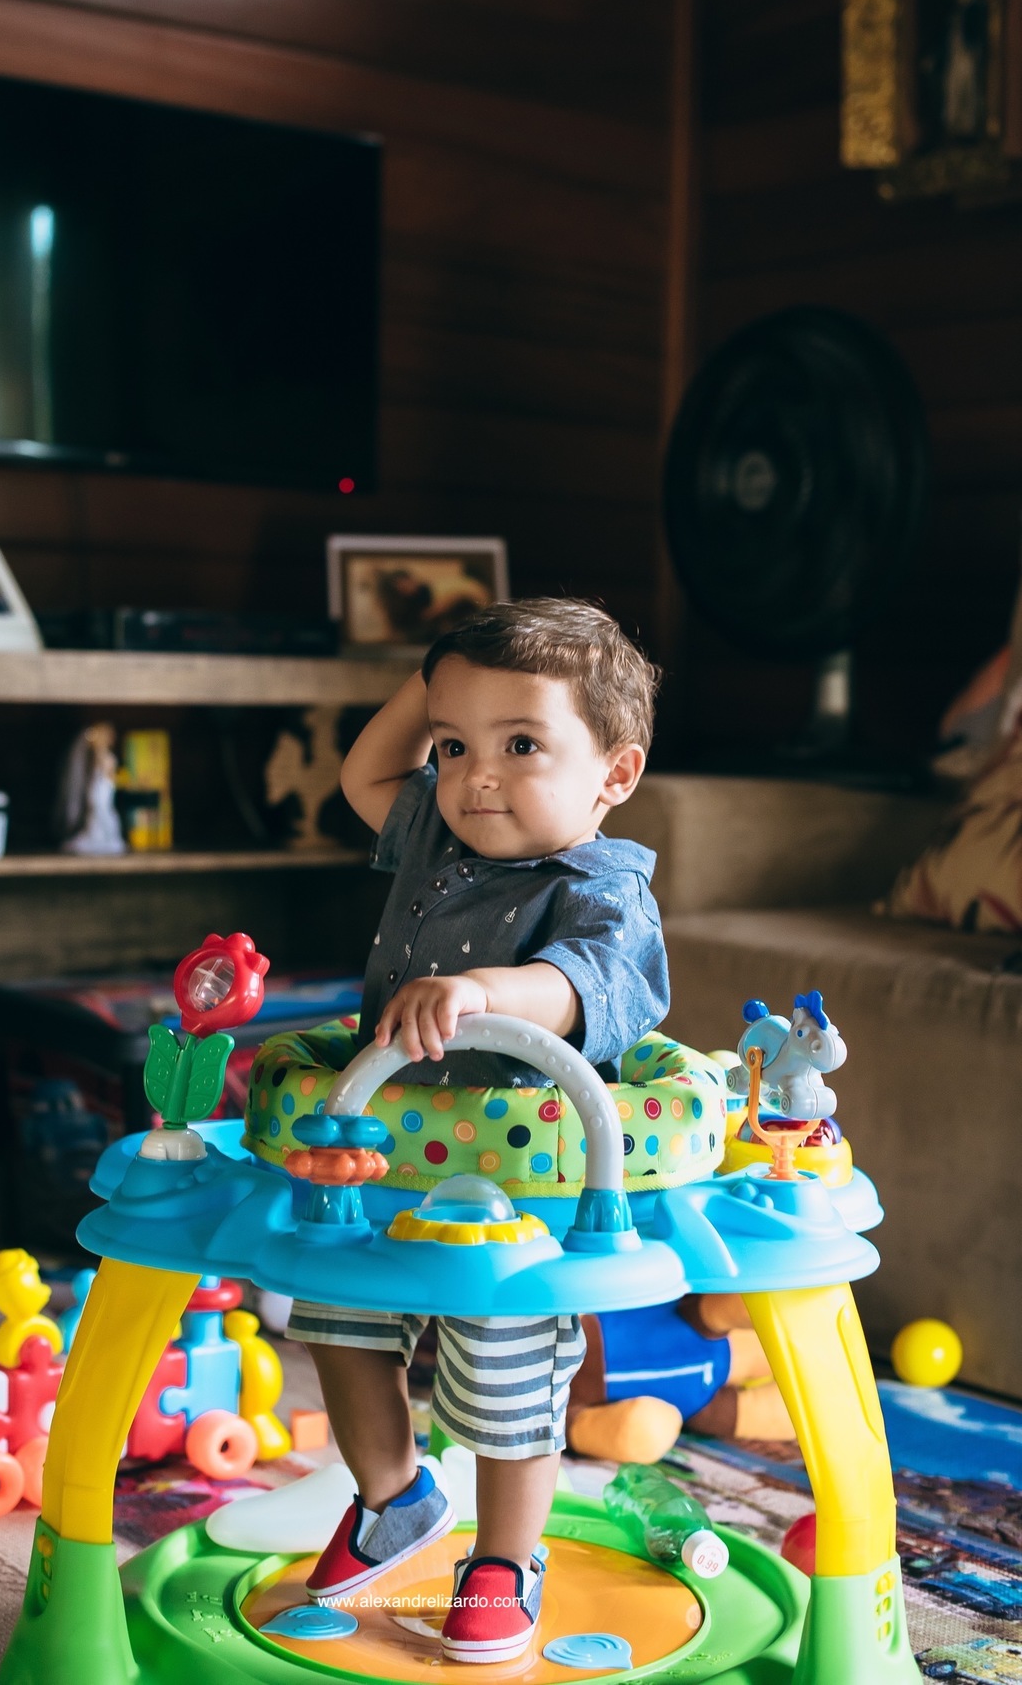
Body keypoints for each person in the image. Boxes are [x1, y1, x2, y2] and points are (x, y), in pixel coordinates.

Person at [286, 597, 669, 1663]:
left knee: (504, 1384)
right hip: (386, 1157)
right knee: (337, 1318)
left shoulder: (607, 893)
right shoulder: (435, 828)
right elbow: (366, 775)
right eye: (455, 744)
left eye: (521, 744)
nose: (477, 775)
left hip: (523, 1199)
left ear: (615, 775)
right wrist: (437, 681)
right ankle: (396, 1493)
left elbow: (576, 987)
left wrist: (485, 987)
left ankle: (505, 1556)